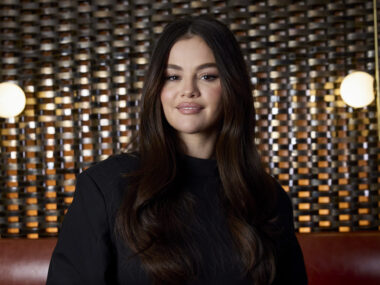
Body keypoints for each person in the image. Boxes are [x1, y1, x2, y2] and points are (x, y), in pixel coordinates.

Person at [47, 16, 307, 285]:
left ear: (231, 86)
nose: (188, 91)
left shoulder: (268, 197)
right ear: (157, 89)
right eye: (172, 77)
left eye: (207, 76)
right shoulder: (105, 187)